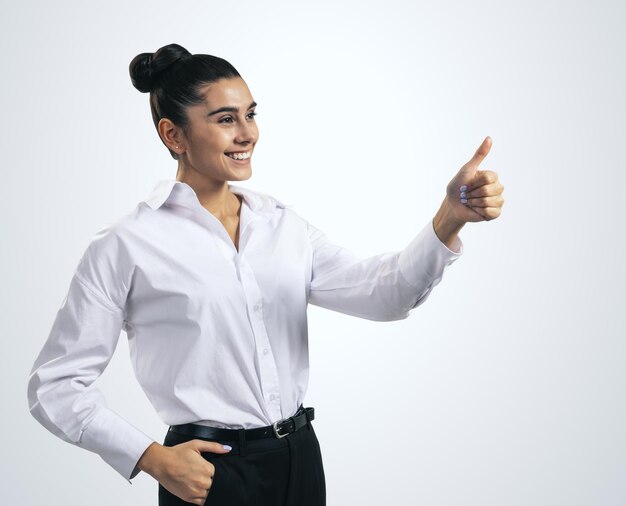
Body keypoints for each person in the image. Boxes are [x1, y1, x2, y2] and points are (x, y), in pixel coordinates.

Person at [26, 43, 504, 506]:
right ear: (173, 135)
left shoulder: (283, 226)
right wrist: (151, 458)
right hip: (208, 473)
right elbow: (56, 384)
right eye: (225, 119)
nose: (247, 133)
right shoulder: (126, 245)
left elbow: (386, 295)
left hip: (300, 459)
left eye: (251, 114)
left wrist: (449, 218)